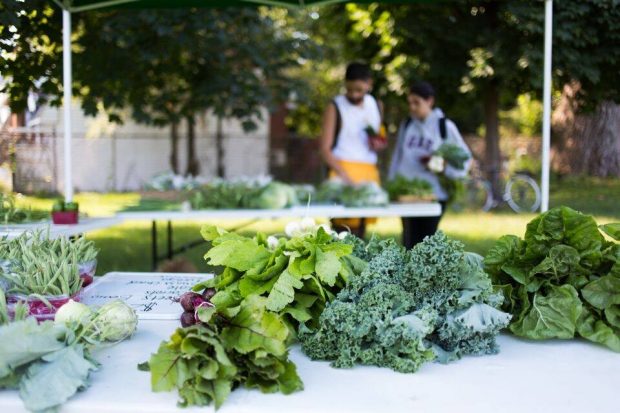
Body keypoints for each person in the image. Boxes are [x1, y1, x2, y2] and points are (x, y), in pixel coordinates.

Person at [388, 81, 472, 248]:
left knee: (426, 243)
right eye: (409, 102)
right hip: (406, 194)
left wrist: (440, 165)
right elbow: (398, 155)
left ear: (430, 101)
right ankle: (407, 274)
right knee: (408, 242)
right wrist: (391, 184)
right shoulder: (407, 124)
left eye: (416, 102)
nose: (411, 107)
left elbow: (465, 159)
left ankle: (425, 275)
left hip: (433, 195)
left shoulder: (444, 126)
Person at [319, 62, 385, 238]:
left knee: (362, 235)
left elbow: (380, 138)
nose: (354, 94)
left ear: (369, 84)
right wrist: (346, 178)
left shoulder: (376, 105)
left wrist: (378, 144)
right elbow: (325, 149)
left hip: (368, 172)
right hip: (342, 172)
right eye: (349, 89)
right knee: (342, 236)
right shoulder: (335, 106)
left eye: (359, 90)